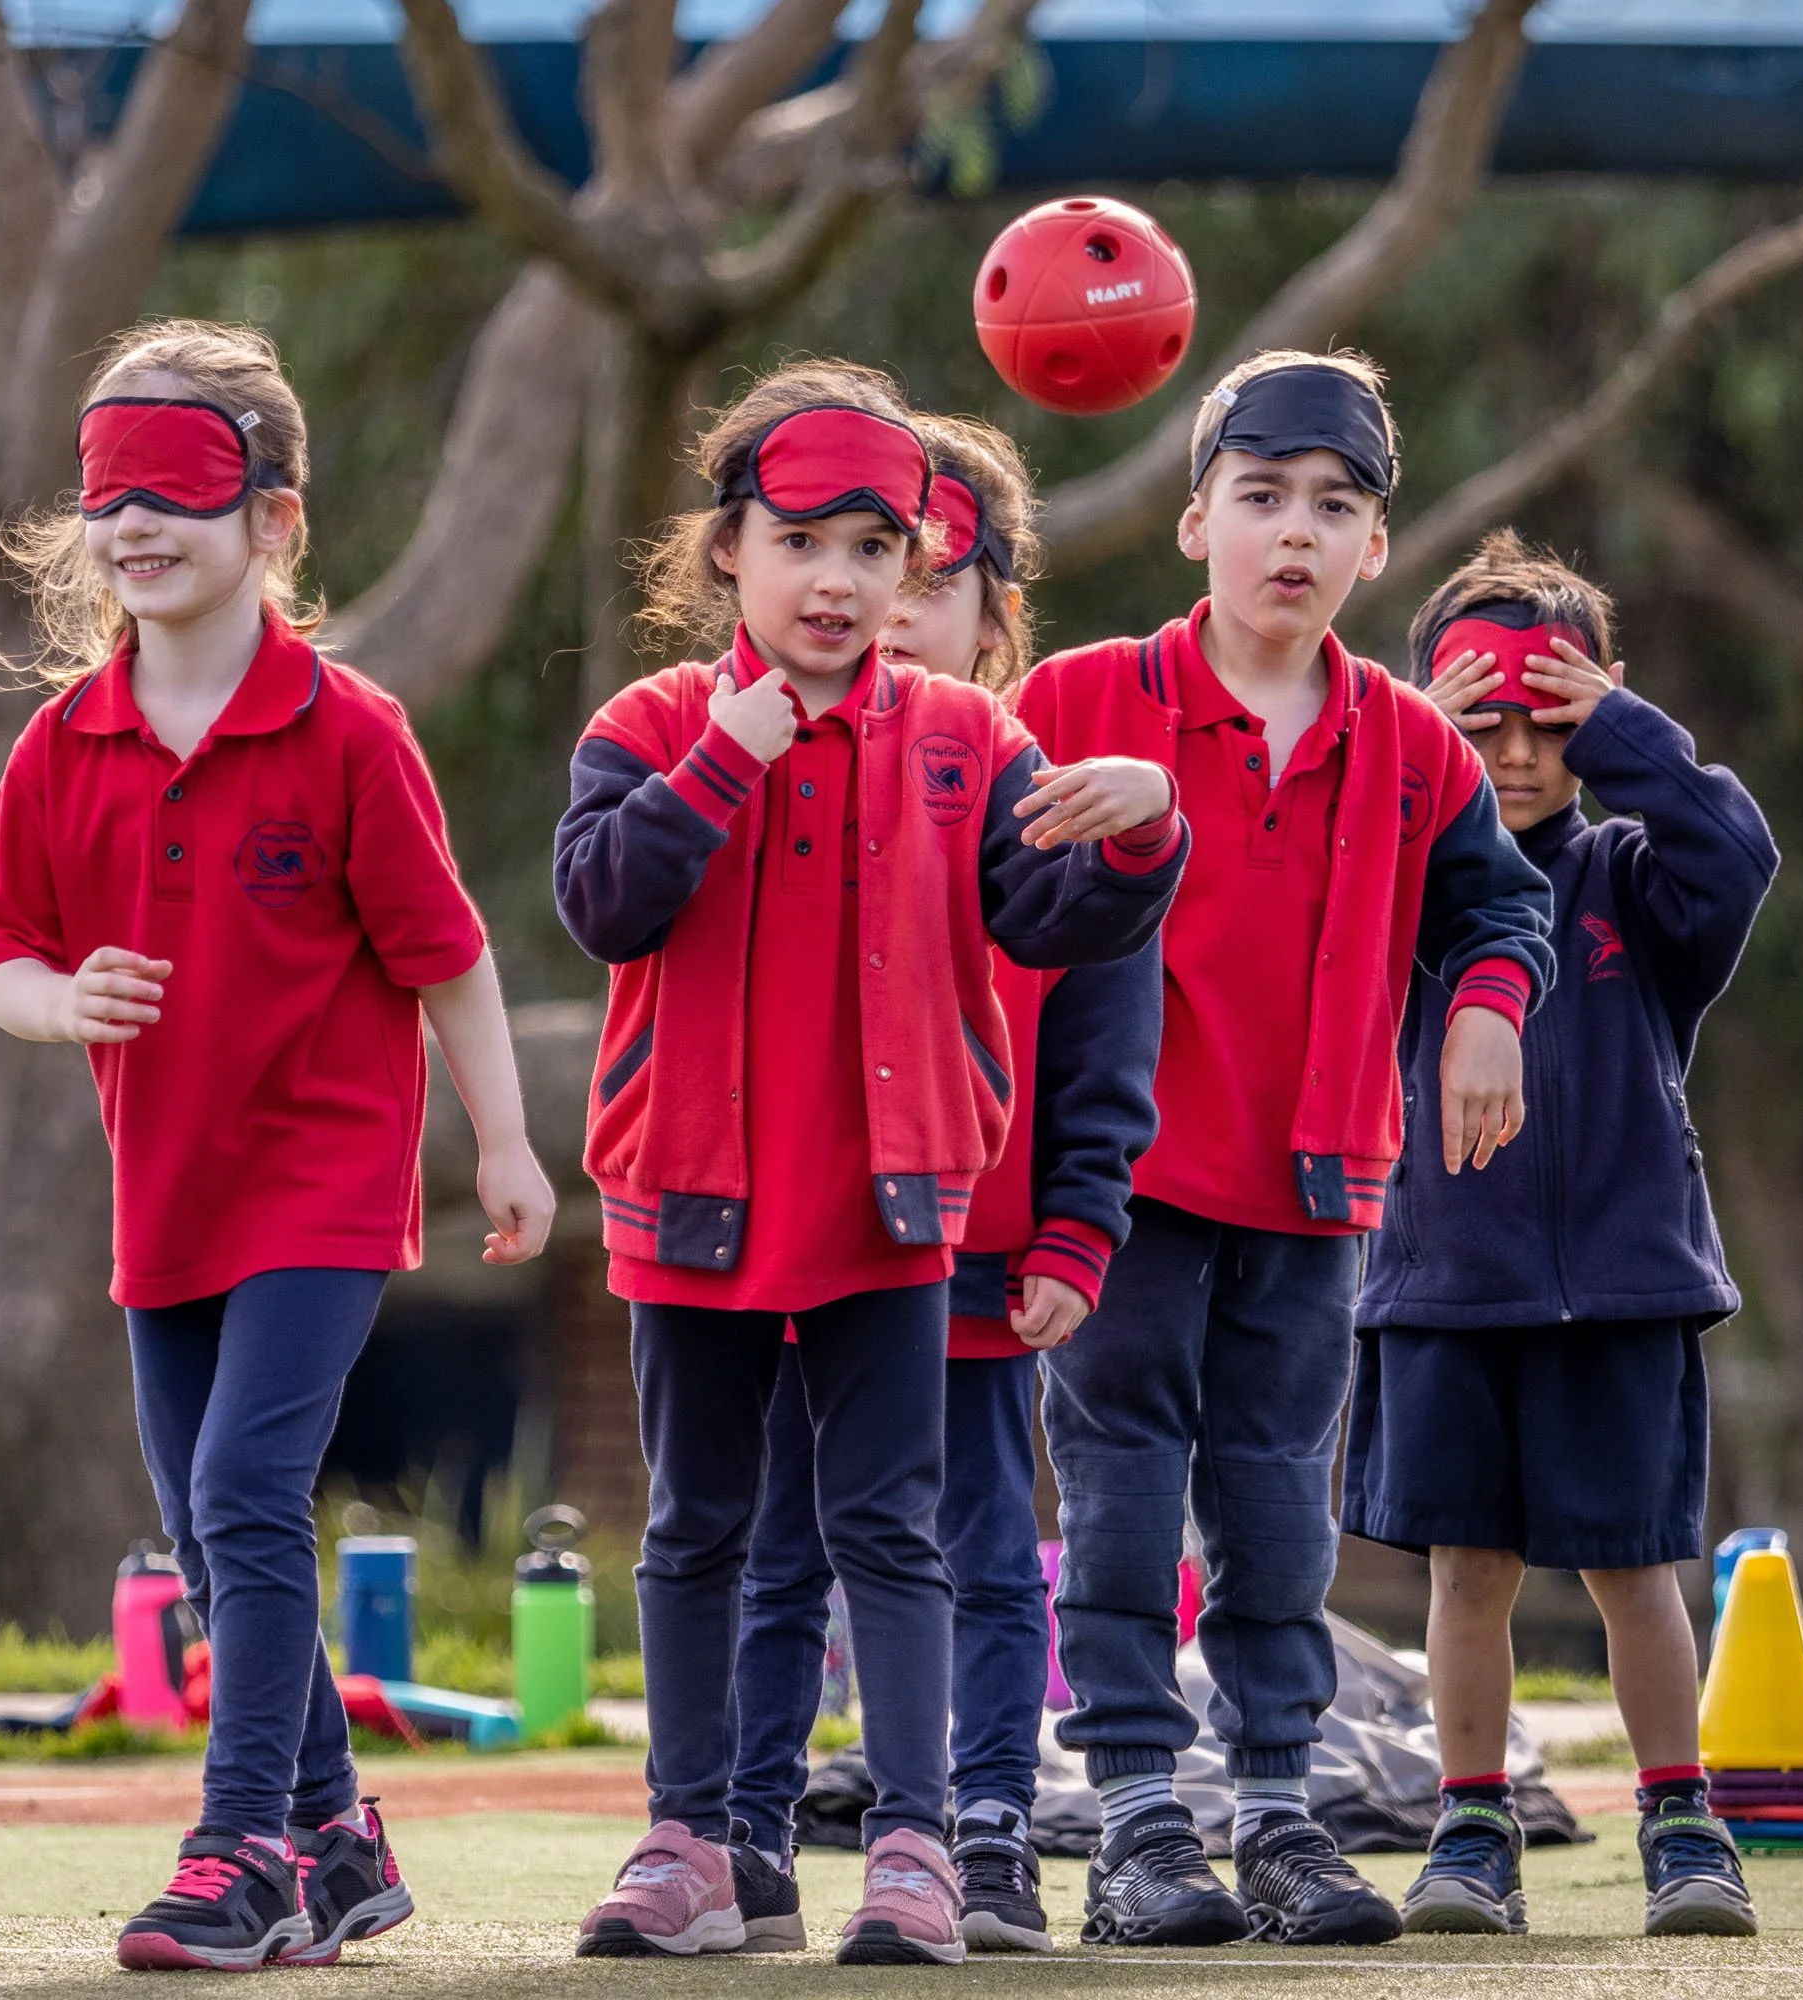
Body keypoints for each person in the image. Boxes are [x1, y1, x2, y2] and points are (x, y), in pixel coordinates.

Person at [553, 363, 1185, 1965]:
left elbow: (1048, 924)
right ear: (724, 553)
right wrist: (725, 758)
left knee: (890, 1528)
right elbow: (603, 905)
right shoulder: (643, 726)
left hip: (899, 1203)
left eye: (874, 547)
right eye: (799, 543)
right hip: (691, 1204)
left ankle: (913, 1851)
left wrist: (1141, 838)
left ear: (917, 567)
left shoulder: (973, 738)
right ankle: (690, 1839)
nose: (837, 581)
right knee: (696, 1527)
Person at [0, 322, 555, 1973]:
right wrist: (58, 1001)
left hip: (326, 1182)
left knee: (241, 1489)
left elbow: (449, 957)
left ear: (275, 519)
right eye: (110, 496)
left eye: (181, 493)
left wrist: (504, 1145)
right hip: (169, 1196)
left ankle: (246, 1854)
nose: (137, 525)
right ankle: (344, 1831)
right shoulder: (61, 744)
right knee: (213, 1524)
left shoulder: (351, 732)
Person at [1015, 350, 1557, 1948]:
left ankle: (1276, 1818)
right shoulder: (1078, 699)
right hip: (1114, 1197)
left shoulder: (1411, 745)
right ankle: (1131, 1825)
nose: (1295, 534)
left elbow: (1501, 907)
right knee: (1118, 1498)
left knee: (1275, 1515)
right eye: (1260, 500)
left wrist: (1489, 1008)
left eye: (1335, 508)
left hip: (1318, 1191)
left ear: (1377, 548)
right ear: (1196, 525)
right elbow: (986, 901)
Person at [723, 419, 1165, 1955]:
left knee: (980, 1546)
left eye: (922, 567)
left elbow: (1105, 1025)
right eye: (846, 557)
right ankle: (745, 1833)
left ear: (992, 612)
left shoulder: (1036, 795)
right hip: (798, 1241)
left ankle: (986, 1832)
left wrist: (1077, 1224)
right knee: (775, 1545)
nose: (884, 600)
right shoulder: (769, 754)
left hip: (971, 1247)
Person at [1347, 530, 1778, 1939]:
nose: (1519, 753)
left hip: (1626, 1287)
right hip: (1441, 1286)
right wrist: (1413, 749)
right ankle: (1472, 1828)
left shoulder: (1639, 884)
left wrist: (1627, 727)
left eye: (1551, 721)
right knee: (1468, 1572)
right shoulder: (1403, 896)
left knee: (1633, 1568)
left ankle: (1681, 1818)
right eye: (1485, 723)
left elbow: (1738, 853)